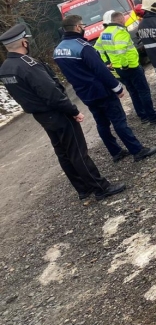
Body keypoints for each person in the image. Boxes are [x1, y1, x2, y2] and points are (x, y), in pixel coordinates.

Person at [0, 25, 125, 201]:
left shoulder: (6, 68)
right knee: (77, 151)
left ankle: (82, 189)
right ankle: (100, 188)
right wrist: (72, 110)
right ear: (23, 41)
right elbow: (51, 92)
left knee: (63, 153)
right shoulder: (28, 65)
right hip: (57, 113)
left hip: (41, 115)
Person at [53, 15, 156, 163]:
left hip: (85, 93)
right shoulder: (82, 47)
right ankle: (137, 150)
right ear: (77, 28)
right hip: (101, 91)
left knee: (102, 123)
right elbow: (100, 70)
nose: (83, 28)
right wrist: (116, 87)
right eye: (82, 25)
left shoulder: (58, 50)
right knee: (119, 121)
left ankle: (115, 152)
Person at [96, 10, 156, 125]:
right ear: (120, 20)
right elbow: (121, 51)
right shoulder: (120, 32)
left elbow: (98, 49)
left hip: (119, 69)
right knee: (143, 91)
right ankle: (152, 116)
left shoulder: (104, 33)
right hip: (130, 67)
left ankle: (143, 116)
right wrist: (125, 65)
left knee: (133, 92)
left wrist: (107, 62)